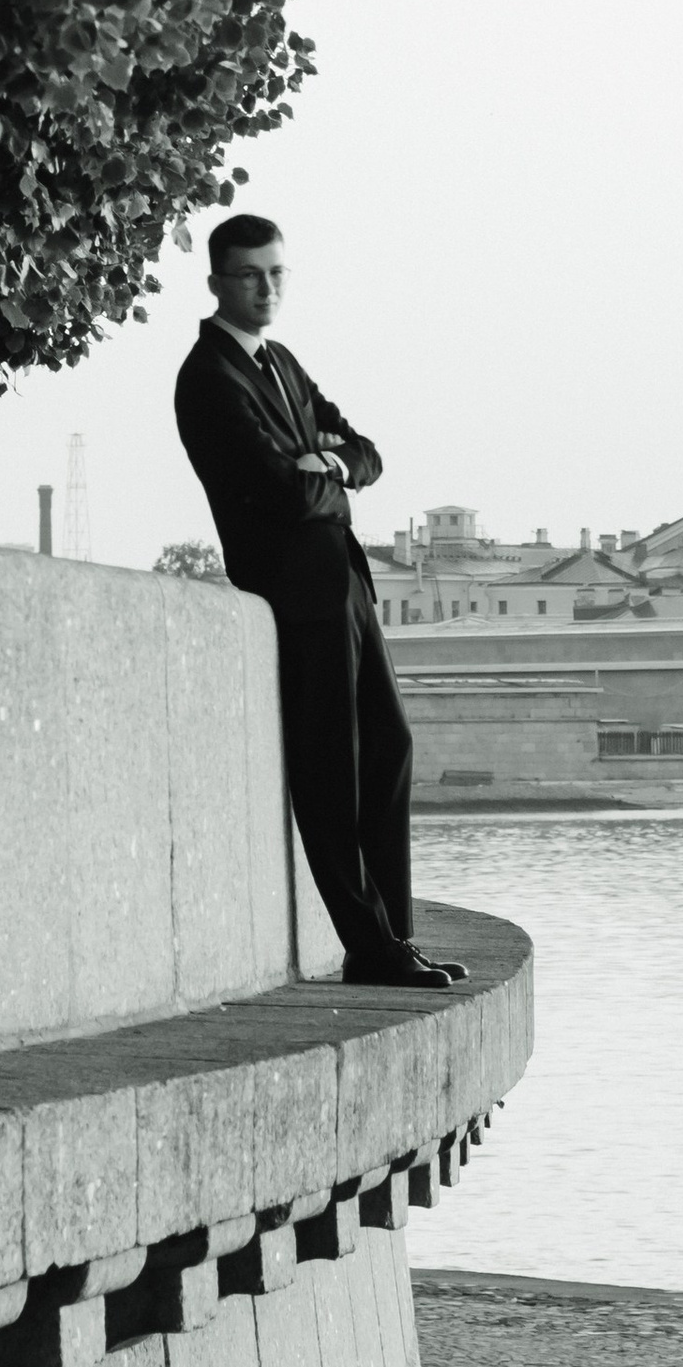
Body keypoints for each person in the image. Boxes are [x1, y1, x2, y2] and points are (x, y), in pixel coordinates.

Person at [173, 216, 464, 990]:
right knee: (330, 770)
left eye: (276, 272)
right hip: (293, 591)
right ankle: (369, 947)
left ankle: (394, 939)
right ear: (217, 282)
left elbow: (365, 453)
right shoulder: (208, 378)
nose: (265, 287)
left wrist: (328, 465)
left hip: (344, 583)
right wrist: (326, 479)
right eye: (249, 274)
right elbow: (281, 494)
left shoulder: (281, 364)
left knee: (390, 746)